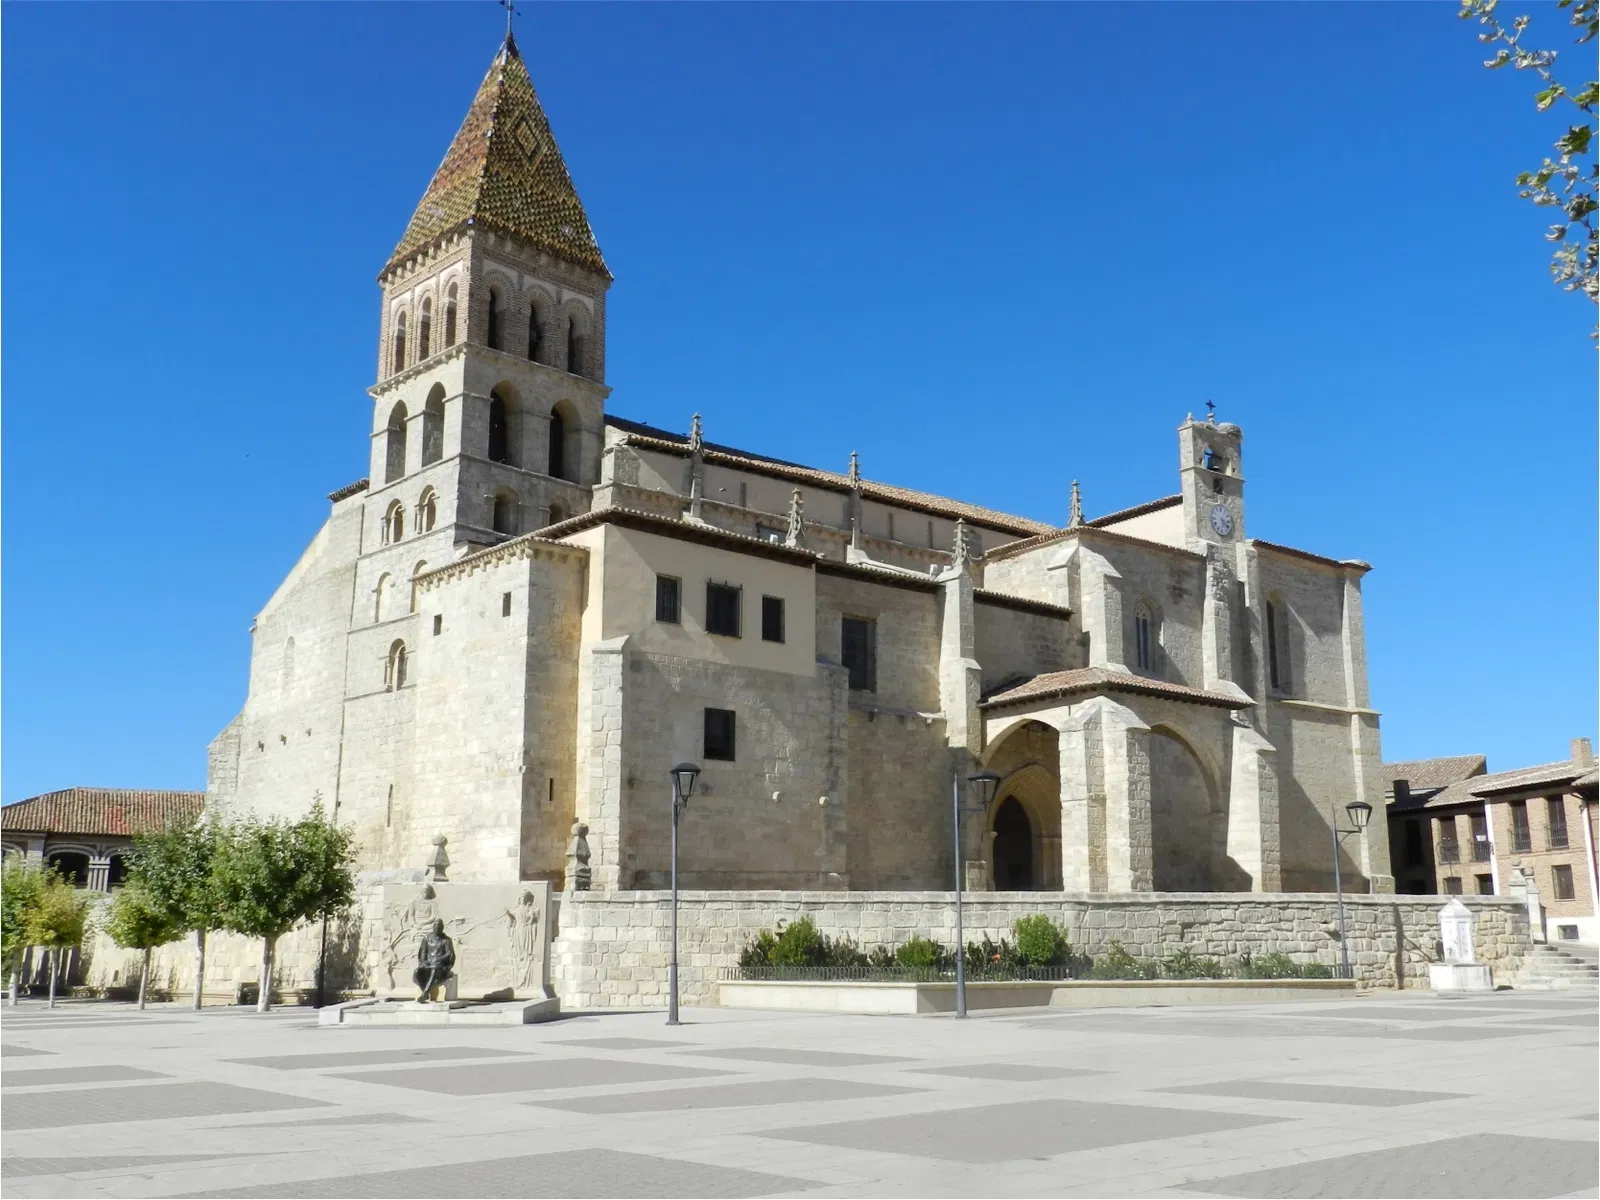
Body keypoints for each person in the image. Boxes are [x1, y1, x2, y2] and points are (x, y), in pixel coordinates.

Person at [413, 919, 456, 1001]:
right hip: (428, 964)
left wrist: (439, 959)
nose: (437, 929)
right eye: (435, 928)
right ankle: (425, 993)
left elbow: (449, 954)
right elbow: (423, 952)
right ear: (433, 928)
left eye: (439, 928)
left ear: (442, 928)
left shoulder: (446, 940)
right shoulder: (427, 938)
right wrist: (424, 962)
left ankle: (425, 993)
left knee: (435, 968)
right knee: (416, 972)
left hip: (440, 966)